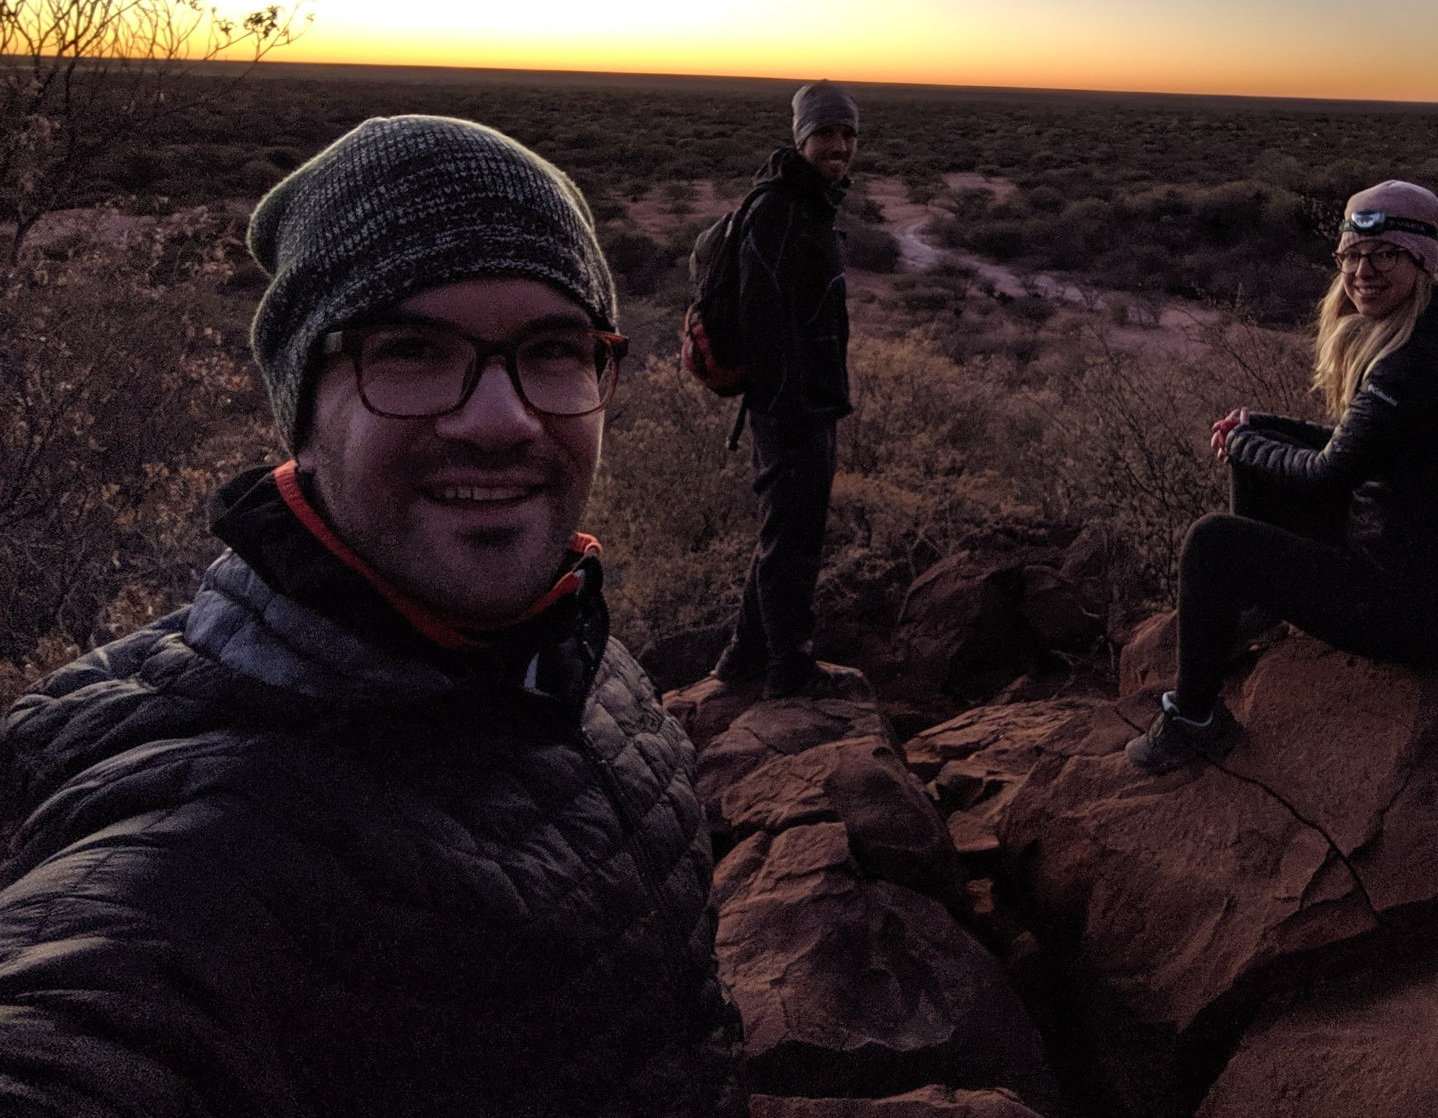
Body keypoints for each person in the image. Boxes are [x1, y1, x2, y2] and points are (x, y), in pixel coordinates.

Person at [0, 116, 745, 1117]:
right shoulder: (200, 852)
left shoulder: (578, 659)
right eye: (412, 351)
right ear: (302, 413)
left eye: (553, 350)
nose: (500, 420)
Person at [1127, 180, 1438, 774]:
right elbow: (1356, 445)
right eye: (1351, 255)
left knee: (1212, 541)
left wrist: (1245, 443)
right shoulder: (1434, 332)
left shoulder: (1413, 363)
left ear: (1421, 261)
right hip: (1431, 585)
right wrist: (1261, 428)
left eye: (1385, 254)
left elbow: (1328, 474)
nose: (1363, 271)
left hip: (1426, 618)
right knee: (1261, 450)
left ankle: (1193, 721)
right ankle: (1255, 612)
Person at [709, 81, 860, 700]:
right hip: (790, 406)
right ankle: (789, 669)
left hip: (808, 399)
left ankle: (743, 656)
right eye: (826, 133)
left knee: (786, 531)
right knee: (794, 541)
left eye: (848, 134)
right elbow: (760, 318)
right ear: (801, 138)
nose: (840, 146)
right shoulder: (778, 209)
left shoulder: (809, 202)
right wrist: (790, 403)